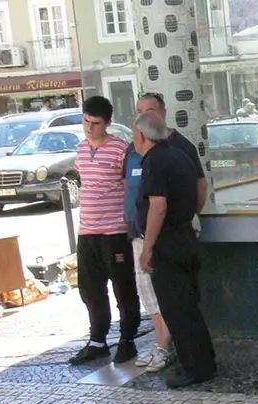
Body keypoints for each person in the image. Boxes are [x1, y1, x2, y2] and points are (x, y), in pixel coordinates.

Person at [122, 93, 207, 371]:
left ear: (144, 137)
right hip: (182, 237)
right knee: (186, 307)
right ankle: (202, 363)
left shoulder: (156, 160)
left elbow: (158, 207)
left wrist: (148, 248)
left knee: (177, 308)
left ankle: (194, 367)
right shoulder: (177, 155)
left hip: (169, 242)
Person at [70, 96, 140, 365]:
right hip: (87, 232)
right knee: (90, 289)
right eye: (86, 121)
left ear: (107, 123)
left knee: (123, 287)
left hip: (114, 232)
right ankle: (98, 340)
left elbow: (130, 188)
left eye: (95, 123)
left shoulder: (121, 149)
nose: (89, 128)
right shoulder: (80, 149)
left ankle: (128, 339)